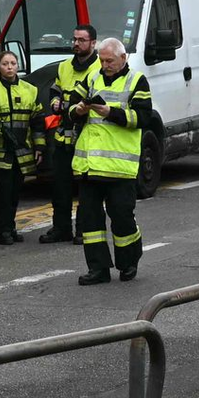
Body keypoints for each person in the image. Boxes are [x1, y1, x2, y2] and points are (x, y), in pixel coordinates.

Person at [70, 37, 151, 285]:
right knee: (91, 223)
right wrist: (79, 110)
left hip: (119, 167)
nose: (105, 65)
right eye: (102, 60)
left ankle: (128, 263)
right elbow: (71, 107)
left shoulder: (136, 80)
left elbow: (143, 117)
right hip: (90, 165)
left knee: (122, 217)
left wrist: (111, 113)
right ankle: (98, 269)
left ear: (123, 58)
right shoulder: (92, 77)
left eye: (110, 61)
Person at [0, 49, 45, 246]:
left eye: (13, 63)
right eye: (5, 64)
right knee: (3, 193)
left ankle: (11, 227)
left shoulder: (30, 90)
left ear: (18, 66)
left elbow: (37, 122)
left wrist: (39, 147)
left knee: (15, 192)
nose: (9, 67)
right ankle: (2, 230)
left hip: (22, 150)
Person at [41, 24, 100, 244]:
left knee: (85, 187)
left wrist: (70, 105)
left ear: (93, 43)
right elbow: (55, 89)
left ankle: (83, 230)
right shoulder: (65, 66)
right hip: (62, 137)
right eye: (74, 39)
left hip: (86, 137)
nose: (76, 44)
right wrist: (55, 102)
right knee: (60, 187)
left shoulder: (98, 68)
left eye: (81, 40)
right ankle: (61, 228)